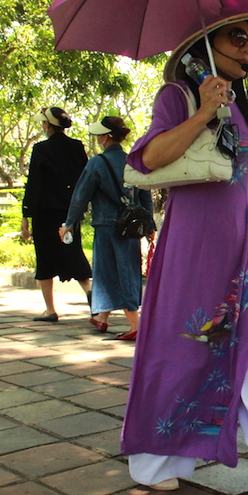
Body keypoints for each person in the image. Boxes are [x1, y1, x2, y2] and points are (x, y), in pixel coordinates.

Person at [120, 14, 248, 495]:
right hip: (191, 247)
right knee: (180, 348)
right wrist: (202, 112)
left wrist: (220, 108)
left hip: (240, 246)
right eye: (238, 36)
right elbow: (149, 159)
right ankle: (155, 460)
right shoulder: (178, 96)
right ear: (205, 43)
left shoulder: (238, 103)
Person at [59, 116, 151, 341]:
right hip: (131, 227)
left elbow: (80, 196)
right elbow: (145, 193)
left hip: (106, 226)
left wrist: (68, 224)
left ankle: (135, 325)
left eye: (100, 133)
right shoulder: (133, 161)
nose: (97, 137)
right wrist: (149, 226)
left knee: (108, 272)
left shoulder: (96, 163)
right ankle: (102, 317)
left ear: (106, 136)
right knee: (126, 271)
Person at [21, 106, 92, 322]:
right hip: (69, 212)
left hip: (44, 213)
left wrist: (26, 214)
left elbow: (34, 183)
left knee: (44, 257)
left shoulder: (41, 149)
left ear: (47, 125)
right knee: (73, 251)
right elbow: (85, 179)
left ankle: (50, 309)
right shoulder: (77, 147)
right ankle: (91, 295)